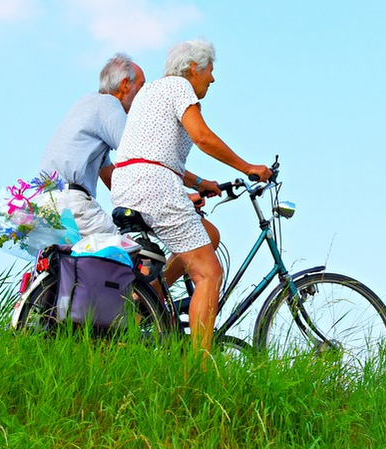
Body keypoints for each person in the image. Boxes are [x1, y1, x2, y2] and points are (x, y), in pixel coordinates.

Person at [111, 39, 271, 349]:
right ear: (194, 68)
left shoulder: (151, 92)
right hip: (154, 186)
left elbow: (151, 152)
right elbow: (202, 137)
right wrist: (246, 167)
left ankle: (150, 301)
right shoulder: (180, 87)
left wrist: (199, 183)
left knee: (207, 234)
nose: (212, 78)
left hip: (129, 184)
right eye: (210, 70)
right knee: (209, 273)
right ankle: (199, 370)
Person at [39, 53, 145, 237]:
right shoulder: (109, 105)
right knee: (129, 253)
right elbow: (141, 156)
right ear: (125, 84)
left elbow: (109, 175)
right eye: (142, 86)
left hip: (46, 203)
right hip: (71, 203)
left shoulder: (87, 104)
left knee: (77, 263)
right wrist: (179, 195)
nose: (143, 94)